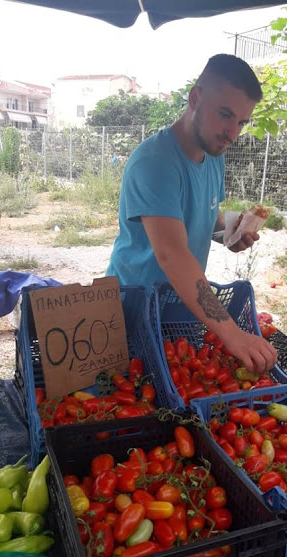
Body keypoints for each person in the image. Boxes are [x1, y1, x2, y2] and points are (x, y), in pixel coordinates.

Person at [107, 54, 277, 374]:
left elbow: (207, 221)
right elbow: (172, 253)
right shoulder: (155, 163)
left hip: (181, 306)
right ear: (195, 98)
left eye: (241, 122)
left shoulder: (214, 156)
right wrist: (231, 334)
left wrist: (230, 233)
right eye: (225, 115)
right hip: (132, 312)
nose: (232, 133)